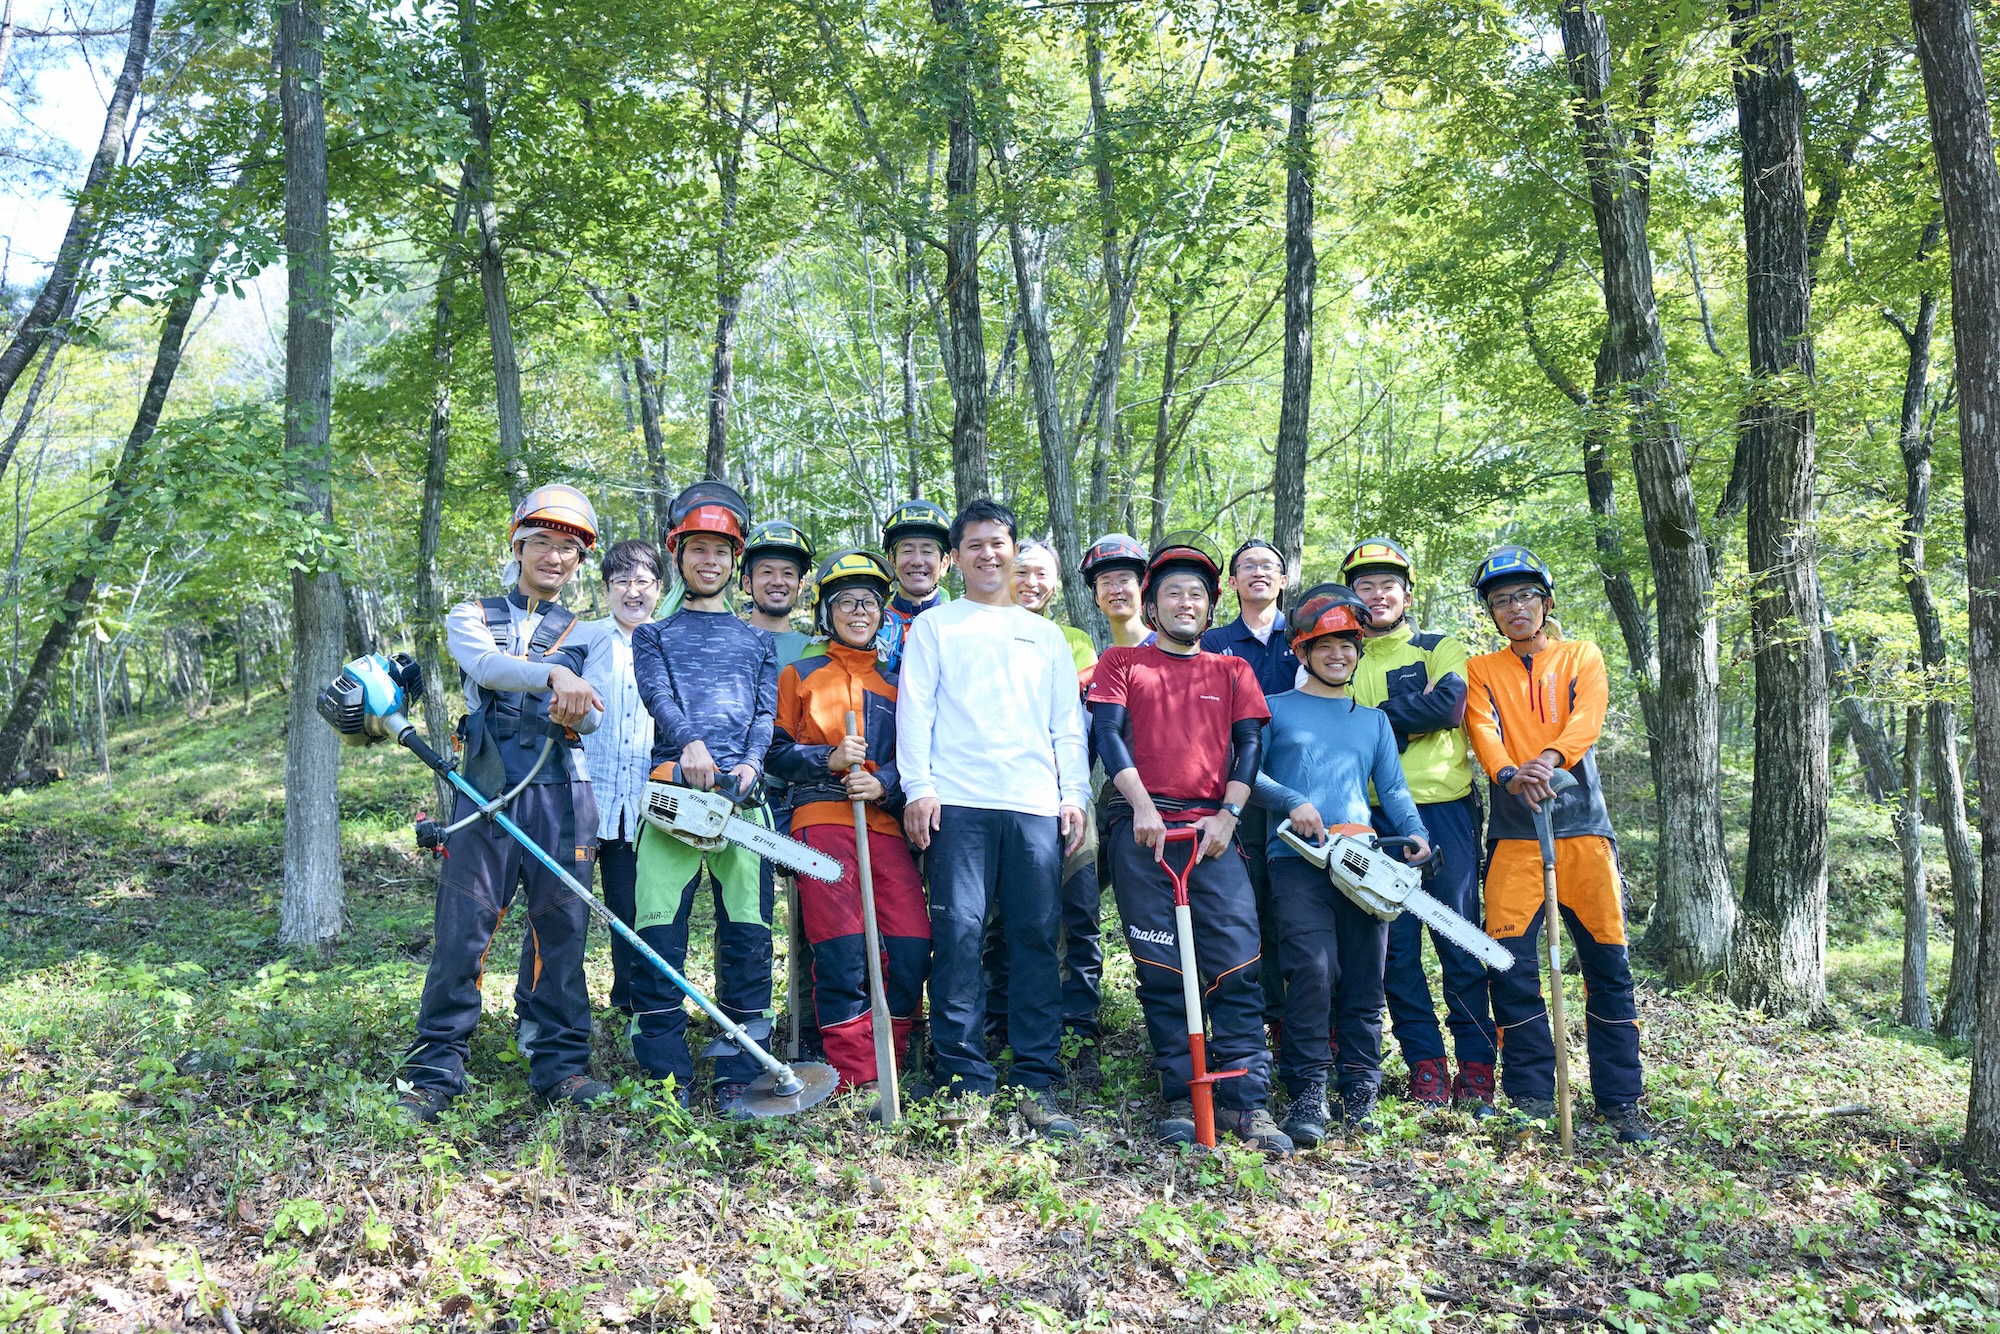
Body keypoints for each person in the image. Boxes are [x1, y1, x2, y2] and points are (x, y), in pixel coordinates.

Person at [397, 484, 608, 1123]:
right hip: (485, 792)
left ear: (578, 562)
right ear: (518, 546)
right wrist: (554, 675)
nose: (553, 555)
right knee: (463, 930)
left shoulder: (589, 632)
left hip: (562, 795)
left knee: (562, 934)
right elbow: (486, 668)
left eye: (567, 548)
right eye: (541, 542)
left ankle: (561, 1065)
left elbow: (593, 716)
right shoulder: (471, 614)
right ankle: (434, 1069)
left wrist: (575, 704)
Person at [1088, 533, 1292, 1154]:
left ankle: (1245, 1101)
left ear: (1209, 607)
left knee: (1236, 961)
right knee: (1162, 968)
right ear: (1152, 606)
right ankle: (1181, 1093)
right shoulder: (1122, 662)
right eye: (1173, 592)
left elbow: (1249, 746)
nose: (1186, 602)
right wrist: (1142, 807)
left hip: (1212, 832)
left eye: (1197, 594)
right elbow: (1108, 734)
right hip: (1143, 830)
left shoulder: (1231, 670)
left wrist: (1229, 815)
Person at [896, 499, 1090, 1138]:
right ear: (956, 557)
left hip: (1035, 805)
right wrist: (919, 789)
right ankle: (962, 1076)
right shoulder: (936, 627)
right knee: (958, 934)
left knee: (1034, 936)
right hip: (958, 802)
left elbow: (1067, 725)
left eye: (997, 543)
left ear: (1014, 551)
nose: (987, 554)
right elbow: (916, 712)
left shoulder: (1045, 637)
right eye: (974, 544)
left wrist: (1073, 794)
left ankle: (1036, 1077)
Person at [1462, 546, 1653, 1145]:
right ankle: (1532, 1096)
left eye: (1524, 596)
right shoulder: (1481, 669)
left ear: (1545, 602)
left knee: (1608, 968)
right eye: (1501, 601)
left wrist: (1546, 760)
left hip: (1585, 833)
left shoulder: (1581, 655)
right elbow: (1482, 729)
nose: (1514, 608)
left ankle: (1620, 1100)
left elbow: (1586, 718)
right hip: (1514, 836)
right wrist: (1508, 775)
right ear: (1492, 613)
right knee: (1512, 968)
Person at [1250, 584, 1430, 1146]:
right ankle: (1307, 1089)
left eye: (1348, 645)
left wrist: (1417, 833)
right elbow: (1247, 774)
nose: (1338, 654)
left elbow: (1393, 789)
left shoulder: (1371, 721)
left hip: (1365, 862)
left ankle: (1361, 1090)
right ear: (1302, 651)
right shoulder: (1274, 708)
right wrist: (1292, 801)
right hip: (1297, 860)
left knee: (1364, 977)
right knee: (1312, 970)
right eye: (1325, 645)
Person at [629, 482, 780, 1117]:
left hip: (742, 804)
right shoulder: (653, 634)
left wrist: (749, 764)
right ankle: (664, 1073)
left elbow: (764, 714)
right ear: (679, 555)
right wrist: (689, 744)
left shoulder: (758, 641)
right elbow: (658, 696)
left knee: (748, 938)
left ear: (734, 560)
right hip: (673, 797)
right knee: (658, 935)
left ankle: (739, 1070)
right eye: (698, 549)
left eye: (720, 550)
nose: (709, 560)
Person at [767, 549, 930, 1107]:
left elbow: (919, 755)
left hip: (884, 823)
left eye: (869, 602)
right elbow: (774, 752)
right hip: (820, 820)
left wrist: (883, 783)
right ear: (826, 612)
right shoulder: (800, 674)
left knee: (911, 943)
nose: (859, 611)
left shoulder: (899, 682)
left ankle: (892, 1062)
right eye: (846, 602)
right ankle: (856, 1074)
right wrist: (827, 760)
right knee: (841, 947)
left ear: (882, 613)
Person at [1341, 536, 1497, 1114]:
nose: (1377, 595)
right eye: (1365, 586)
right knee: (1395, 951)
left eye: (1389, 585)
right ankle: (1425, 1067)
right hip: (1371, 817)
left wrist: (1375, 721)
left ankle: (1477, 1071)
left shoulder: (1438, 646)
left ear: (1407, 594)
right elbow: (1342, 725)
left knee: (1458, 938)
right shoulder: (1344, 656)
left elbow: (1449, 707)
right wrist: (1408, 718)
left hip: (1444, 809)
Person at [998, 540, 1102, 1078]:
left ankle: (1079, 1028)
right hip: (1001, 799)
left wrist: (1073, 790)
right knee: (999, 918)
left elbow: (1076, 719)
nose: (1031, 582)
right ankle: (999, 1022)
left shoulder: (1075, 641)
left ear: (1057, 585)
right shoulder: (982, 632)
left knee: (1078, 909)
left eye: (1042, 574)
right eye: (1022, 572)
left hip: (1067, 791)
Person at [1200, 538, 1301, 1042]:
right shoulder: (1213, 641)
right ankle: (1253, 1015)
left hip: (1299, 788)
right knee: (1249, 903)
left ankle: (1301, 1019)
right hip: (1234, 790)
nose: (1258, 572)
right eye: (1247, 566)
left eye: (1268, 566)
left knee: (1296, 906)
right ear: (1232, 581)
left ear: (1284, 579)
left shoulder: (1305, 634)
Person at [579, 538, 664, 1016]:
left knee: (629, 908)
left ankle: (629, 1004)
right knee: (563, 905)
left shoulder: (669, 642)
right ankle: (553, 1009)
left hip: (640, 806)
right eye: (622, 582)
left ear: (659, 587)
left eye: (643, 581)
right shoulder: (584, 638)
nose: (633, 592)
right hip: (581, 799)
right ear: (606, 588)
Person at [878, 498, 953, 669]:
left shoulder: (962, 624)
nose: (917, 561)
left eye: (927, 551)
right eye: (907, 551)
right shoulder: (873, 626)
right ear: (892, 562)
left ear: (944, 563)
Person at [742, 519, 816, 666]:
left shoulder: (816, 653)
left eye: (788, 573)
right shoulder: (724, 644)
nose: (778, 581)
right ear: (748, 583)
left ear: (800, 586)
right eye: (767, 572)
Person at [1082, 533, 1152, 649]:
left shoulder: (1170, 649)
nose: (1115, 590)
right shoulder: (1103, 659)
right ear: (1096, 597)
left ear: (1142, 588)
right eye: (1105, 582)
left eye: (1124, 580)